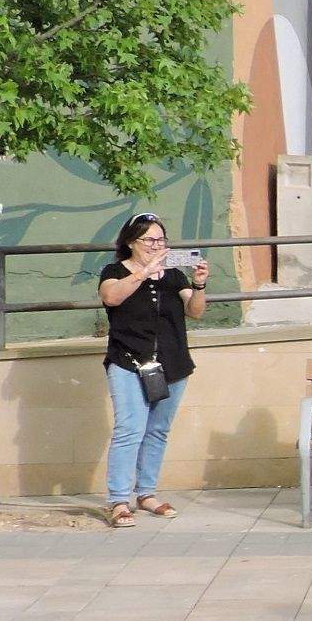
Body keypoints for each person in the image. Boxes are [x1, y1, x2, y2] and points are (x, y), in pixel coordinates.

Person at [98, 212, 207, 528]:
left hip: (172, 364)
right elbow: (111, 296)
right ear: (131, 242)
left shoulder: (173, 275)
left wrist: (199, 285)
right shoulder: (115, 271)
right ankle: (119, 499)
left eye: (161, 240)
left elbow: (196, 311)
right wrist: (144, 272)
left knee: (158, 430)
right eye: (149, 240)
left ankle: (146, 494)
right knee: (129, 430)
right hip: (128, 362)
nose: (156, 245)